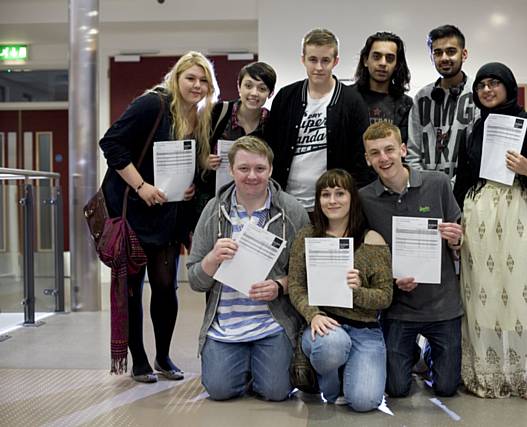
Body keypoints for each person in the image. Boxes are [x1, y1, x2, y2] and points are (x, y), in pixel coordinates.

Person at [99, 51, 217, 383]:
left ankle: (163, 356)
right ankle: (139, 359)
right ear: (176, 78)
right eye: (190, 78)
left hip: (169, 214)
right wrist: (141, 187)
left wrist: (190, 184)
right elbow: (111, 143)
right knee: (134, 288)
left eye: (203, 80)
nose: (196, 85)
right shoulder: (153, 104)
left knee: (166, 288)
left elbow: (181, 161)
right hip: (135, 212)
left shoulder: (198, 116)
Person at [453, 62, 527, 400]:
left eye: (494, 83)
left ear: (509, 86)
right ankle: (487, 374)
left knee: (519, 293)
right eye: (481, 85)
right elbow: (462, 180)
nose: (487, 90)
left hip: (517, 218)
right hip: (479, 218)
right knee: (481, 293)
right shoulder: (471, 130)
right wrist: (457, 219)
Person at [187, 136, 309, 401]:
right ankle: (243, 363)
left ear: (271, 170)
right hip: (225, 327)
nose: (252, 176)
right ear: (231, 170)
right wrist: (212, 259)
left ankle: (257, 364)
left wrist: (280, 285)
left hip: (272, 324)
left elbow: (308, 273)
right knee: (219, 391)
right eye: (243, 168)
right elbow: (195, 280)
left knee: (276, 392)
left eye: (260, 169)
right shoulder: (213, 211)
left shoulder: (292, 211)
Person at [359, 121, 464, 397]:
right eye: (375, 153)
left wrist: (456, 240)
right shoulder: (365, 199)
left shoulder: (438, 183)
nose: (384, 158)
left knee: (446, 388)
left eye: (389, 149)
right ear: (367, 160)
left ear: (403, 149)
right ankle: (411, 351)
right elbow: (366, 257)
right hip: (399, 308)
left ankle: (430, 352)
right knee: (396, 389)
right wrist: (391, 280)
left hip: (443, 305)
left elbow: (459, 241)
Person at [288, 169, 393, 411]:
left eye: (339, 193)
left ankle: (348, 371)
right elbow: (295, 285)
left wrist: (357, 291)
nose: (332, 200)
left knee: (365, 402)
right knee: (332, 346)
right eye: (325, 194)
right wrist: (313, 314)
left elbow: (385, 296)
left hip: (365, 330)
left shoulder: (372, 240)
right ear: (318, 200)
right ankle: (329, 384)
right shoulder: (306, 236)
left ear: (352, 198)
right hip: (325, 325)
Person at [265, 28, 372, 211]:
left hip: (332, 205)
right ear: (303, 59)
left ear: (335, 61)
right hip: (285, 202)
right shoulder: (286, 97)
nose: (319, 67)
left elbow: (361, 158)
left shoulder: (352, 101)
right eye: (313, 60)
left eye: (326, 60)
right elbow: (268, 147)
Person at [192, 61, 276, 227]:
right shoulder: (218, 113)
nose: (254, 93)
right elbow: (193, 150)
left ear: (270, 93)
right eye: (248, 85)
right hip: (213, 199)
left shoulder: (273, 124)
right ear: (239, 87)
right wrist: (204, 161)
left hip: (254, 202)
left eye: (262, 88)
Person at [405, 24, 478, 182]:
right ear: (432, 57)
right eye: (438, 53)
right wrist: (425, 188)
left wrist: (453, 188)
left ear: (464, 54)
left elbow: (480, 154)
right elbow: (413, 153)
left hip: (466, 191)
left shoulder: (478, 94)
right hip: (427, 193)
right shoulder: (421, 97)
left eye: (451, 51)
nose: (444, 58)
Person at [354, 31, 413, 144]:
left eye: (390, 58)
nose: (383, 63)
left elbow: (406, 147)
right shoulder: (348, 98)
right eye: (376, 57)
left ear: (397, 65)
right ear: (366, 60)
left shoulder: (406, 104)